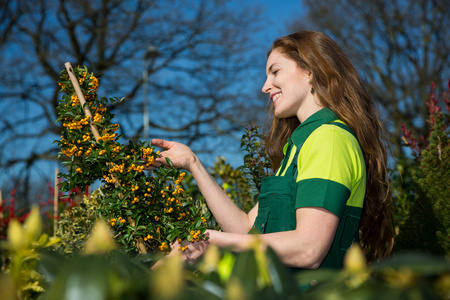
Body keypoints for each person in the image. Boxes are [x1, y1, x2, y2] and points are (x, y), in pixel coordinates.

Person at [147, 31, 395, 269]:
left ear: (310, 71)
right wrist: (193, 164)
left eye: (275, 71)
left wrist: (212, 242)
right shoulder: (300, 147)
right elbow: (246, 230)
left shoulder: (328, 139)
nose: (265, 87)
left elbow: (309, 249)